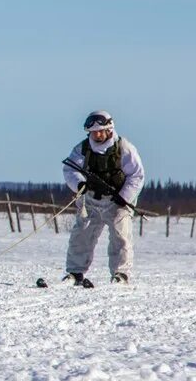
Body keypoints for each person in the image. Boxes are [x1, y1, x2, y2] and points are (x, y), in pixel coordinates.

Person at [61, 110, 145, 286]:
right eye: (93, 132)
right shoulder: (82, 148)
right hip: (90, 200)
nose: (97, 135)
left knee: (120, 237)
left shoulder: (124, 148)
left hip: (117, 202)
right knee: (81, 235)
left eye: (100, 130)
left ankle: (121, 274)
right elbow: (70, 169)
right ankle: (75, 273)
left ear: (109, 129)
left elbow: (136, 175)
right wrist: (79, 184)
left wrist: (124, 197)